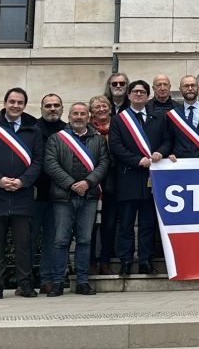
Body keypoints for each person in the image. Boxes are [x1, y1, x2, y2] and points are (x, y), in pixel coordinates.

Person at [0, 87, 44, 299]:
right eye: (12, 101)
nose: (15, 106)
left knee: (24, 244)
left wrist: (23, 181)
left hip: (22, 195)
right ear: (5, 103)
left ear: (24, 105)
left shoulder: (34, 130)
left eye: (20, 102)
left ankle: (25, 284)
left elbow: (38, 161)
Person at [43, 102, 110, 296]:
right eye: (75, 114)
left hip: (89, 196)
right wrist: (72, 184)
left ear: (88, 117)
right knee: (60, 240)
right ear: (69, 117)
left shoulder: (98, 140)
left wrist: (87, 183)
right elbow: (50, 164)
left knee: (85, 240)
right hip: (63, 197)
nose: (79, 117)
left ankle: (82, 281)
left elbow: (104, 164)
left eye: (82, 114)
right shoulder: (56, 139)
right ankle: (57, 282)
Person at [108, 80, 171, 276]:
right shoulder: (119, 119)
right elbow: (116, 147)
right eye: (135, 92)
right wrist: (137, 160)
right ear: (128, 95)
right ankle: (126, 261)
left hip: (153, 179)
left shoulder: (158, 117)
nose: (138, 95)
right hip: (129, 177)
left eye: (142, 92)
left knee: (147, 223)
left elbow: (168, 141)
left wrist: (160, 152)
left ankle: (145, 260)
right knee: (126, 224)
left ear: (147, 96)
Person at [33, 94, 65, 294]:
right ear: (41, 108)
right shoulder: (32, 129)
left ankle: (50, 279)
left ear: (62, 108)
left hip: (60, 194)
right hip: (34, 193)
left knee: (54, 239)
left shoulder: (68, 130)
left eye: (56, 105)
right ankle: (25, 281)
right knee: (29, 238)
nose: (52, 109)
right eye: (48, 106)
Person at [88, 96, 115, 276]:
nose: (101, 109)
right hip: (91, 180)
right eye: (97, 107)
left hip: (113, 181)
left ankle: (106, 260)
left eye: (104, 105)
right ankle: (90, 261)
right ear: (91, 111)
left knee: (109, 223)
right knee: (89, 225)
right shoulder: (87, 129)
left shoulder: (119, 125)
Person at [167, 75, 199, 161]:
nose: (190, 88)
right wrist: (169, 154)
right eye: (186, 86)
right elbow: (168, 139)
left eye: (193, 85)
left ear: (198, 88)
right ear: (180, 89)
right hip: (180, 163)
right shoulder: (173, 114)